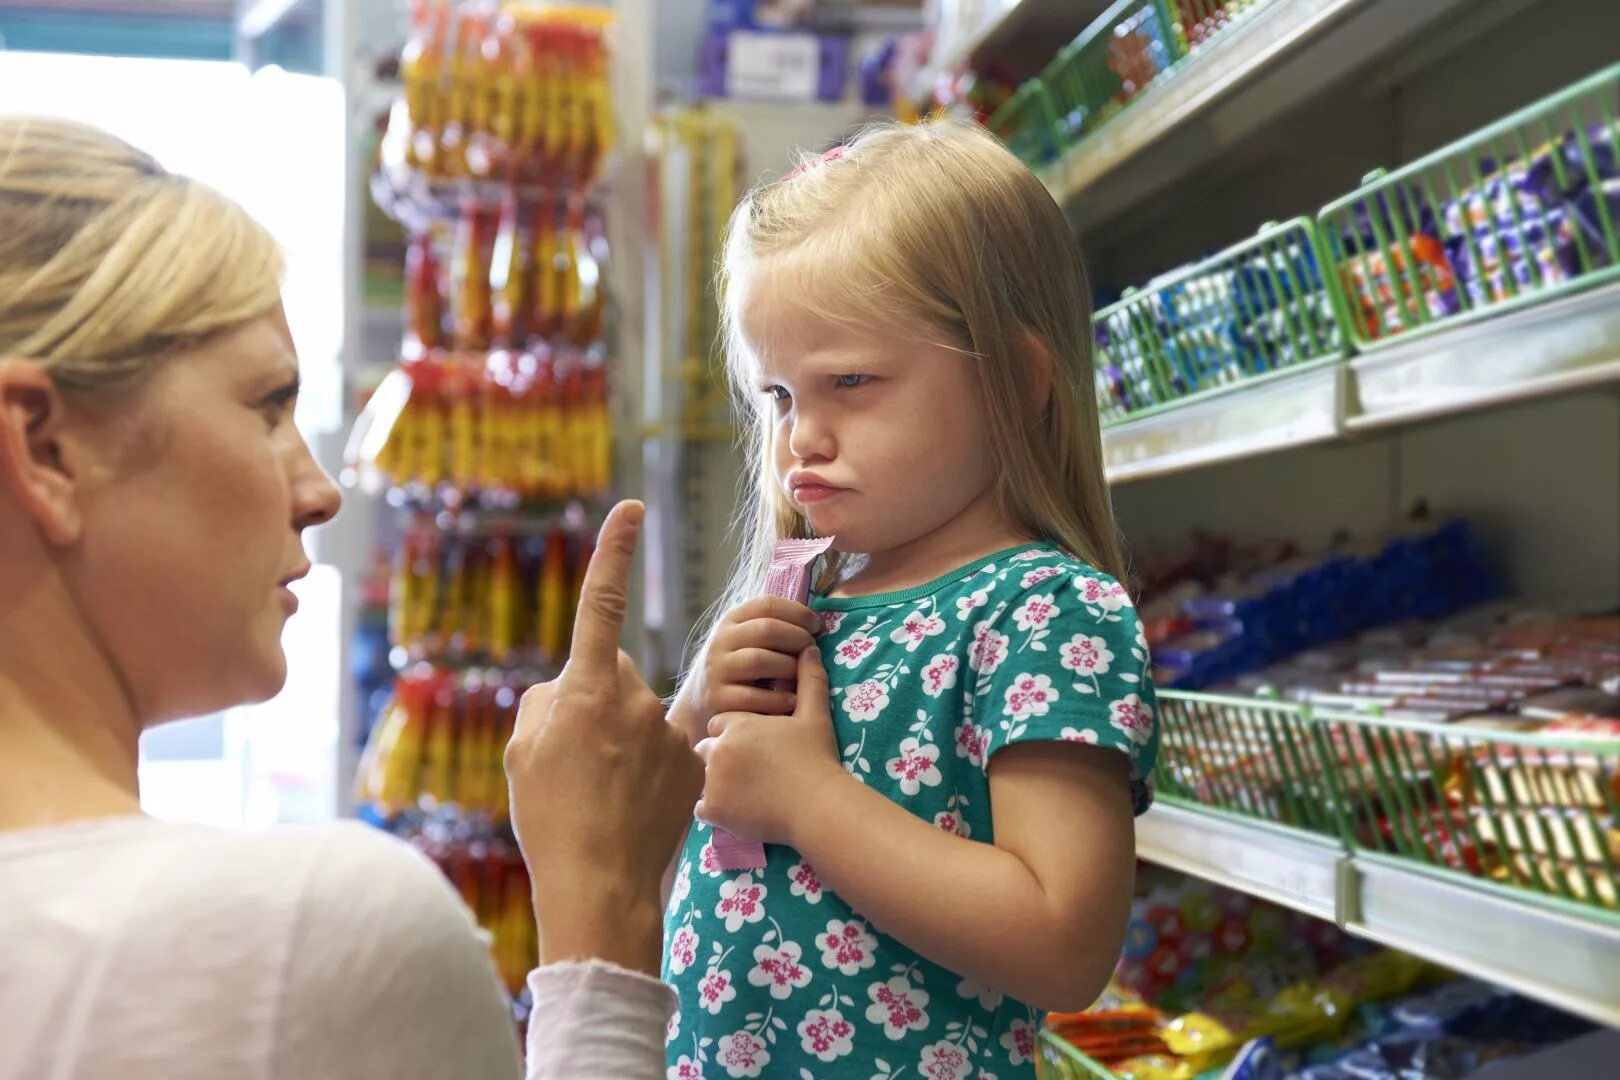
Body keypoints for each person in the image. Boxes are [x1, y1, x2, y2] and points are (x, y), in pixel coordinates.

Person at [0, 115, 699, 1080]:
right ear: (44, 449)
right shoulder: (304, 933)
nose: (321, 490)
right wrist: (607, 909)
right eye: (266, 407)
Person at [664, 120, 1159, 1078]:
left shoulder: (1045, 612)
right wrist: (691, 712)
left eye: (850, 381)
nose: (802, 436)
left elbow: (1064, 940)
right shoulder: (812, 600)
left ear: (1015, 380)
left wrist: (809, 802)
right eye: (776, 396)